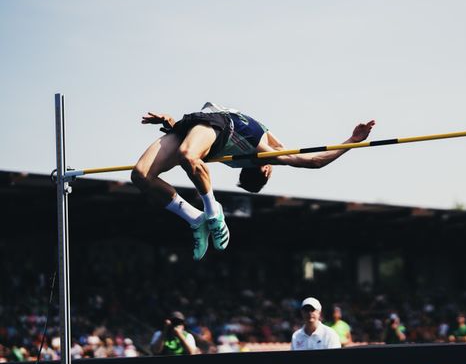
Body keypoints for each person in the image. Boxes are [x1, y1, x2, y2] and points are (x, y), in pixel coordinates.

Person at [131, 103, 375, 260]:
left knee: (188, 157)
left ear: (265, 171)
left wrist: (352, 140)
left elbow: (315, 161)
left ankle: (212, 213)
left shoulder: (267, 154)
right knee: (140, 175)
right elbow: (314, 161)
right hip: (199, 124)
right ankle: (197, 219)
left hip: (215, 125)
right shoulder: (269, 151)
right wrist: (351, 141)